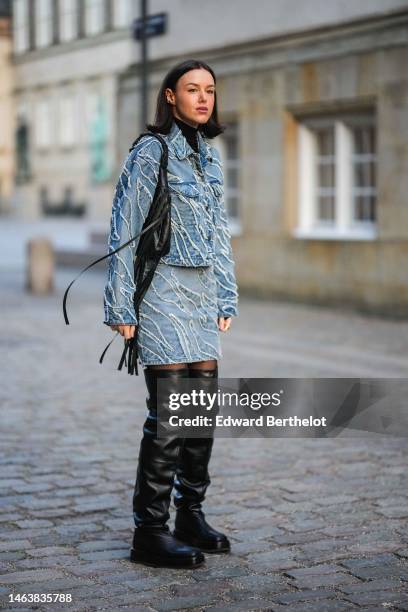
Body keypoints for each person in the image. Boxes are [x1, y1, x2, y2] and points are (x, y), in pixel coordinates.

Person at [103, 59, 239, 569]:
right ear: (169, 97)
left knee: (201, 411)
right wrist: (120, 305)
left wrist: (227, 295)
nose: (203, 98)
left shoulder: (210, 158)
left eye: (209, 89)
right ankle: (149, 533)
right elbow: (124, 230)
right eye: (191, 89)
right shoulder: (150, 152)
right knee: (168, 418)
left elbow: (221, 235)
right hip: (161, 293)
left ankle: (191, 515)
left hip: (202, 296)